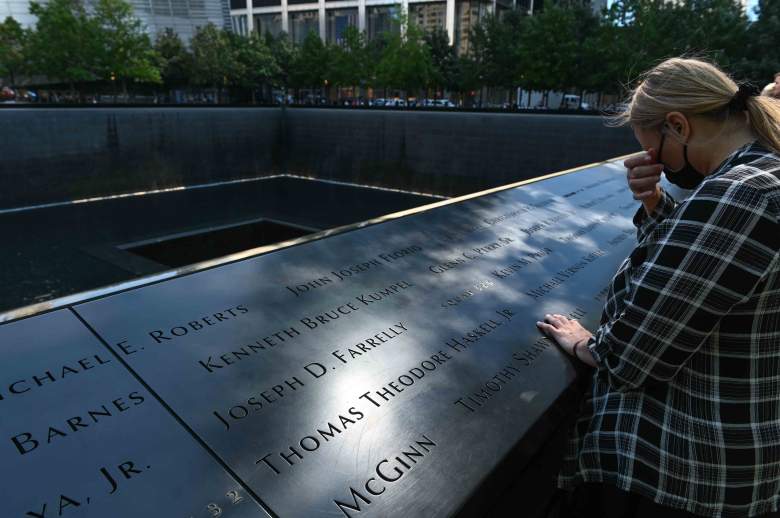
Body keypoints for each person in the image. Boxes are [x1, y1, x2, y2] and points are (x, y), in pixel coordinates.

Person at [536, 57, 780, 517]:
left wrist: (586, 344)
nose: (654, 163)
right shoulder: (764, 174)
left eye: (653, 150)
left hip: (689, 473)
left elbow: (631, 357)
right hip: (744, 461)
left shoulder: (741, 194)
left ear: (677, 125)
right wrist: (654, 204)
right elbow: (711, 275)